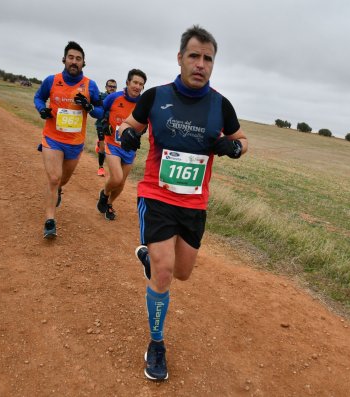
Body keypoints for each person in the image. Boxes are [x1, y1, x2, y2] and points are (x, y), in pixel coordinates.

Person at [118, 25, 248, 381]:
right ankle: (156, 344)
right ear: (180, 58)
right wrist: (128, 134)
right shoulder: (156, 96)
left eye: (208, 58)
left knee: (182, 272)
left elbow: (242, 140)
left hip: (194, 203)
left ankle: (149, 257)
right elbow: (126, 126)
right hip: (156, 196)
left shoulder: (221, 105)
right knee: (163, 274)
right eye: (194, 56)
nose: (201, 64)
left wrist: (233, 148)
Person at [34, 41, 103, 239]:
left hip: (75, 142)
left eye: (78, 59)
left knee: (62, 180)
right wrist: (42, 109)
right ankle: (50, 221)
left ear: (83, 63)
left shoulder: (90, 85)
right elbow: (38, 98)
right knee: (54, 178)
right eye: (71, 58)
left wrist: (89, 107)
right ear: (64, 59)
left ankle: (58, 190)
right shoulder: (52, 80)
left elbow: (100, 111)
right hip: (52, 138)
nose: (74, 62)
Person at [96, 69, 147, 220]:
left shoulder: (144, 103)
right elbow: (101, 111)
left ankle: (109, 204)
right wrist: (104, 123)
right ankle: (104, 194)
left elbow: (146, 123)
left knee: (122, 183)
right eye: (135, 82)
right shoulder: (114, 97)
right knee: (116, 177)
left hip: (130, 148)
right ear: (127, 83)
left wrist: (139, 133)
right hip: (112, 144)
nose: (138, 86)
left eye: (141, 84)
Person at [94, 79, 117, 177]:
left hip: (113, 126)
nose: (111, 88)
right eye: (110, 86)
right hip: (101, 125)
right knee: (103, 148)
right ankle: (101, 167)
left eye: (114, 87)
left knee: (112, 147)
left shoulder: (118, 98)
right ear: (106, 87)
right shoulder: (101, 97)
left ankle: (99, 144)